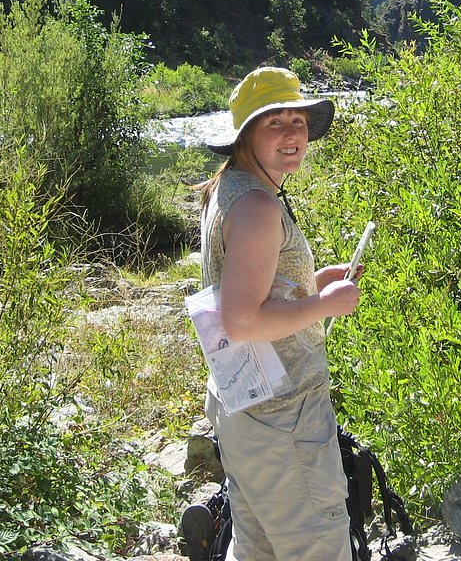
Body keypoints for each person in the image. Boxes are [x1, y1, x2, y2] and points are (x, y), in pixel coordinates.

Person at [190, 66, 361, 561]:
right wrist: (325, 305)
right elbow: (242, 320)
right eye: (275, 122)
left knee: (257, 547)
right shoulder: (258, 207)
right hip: (283, 418)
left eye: (298, 121)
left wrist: (311, 285)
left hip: (244, 405)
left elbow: (249, 289)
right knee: (317, 547)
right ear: (245, 134)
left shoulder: (231, 190)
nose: (292, 133)